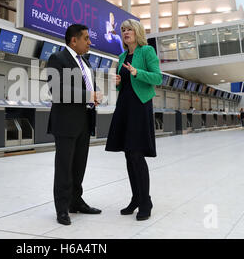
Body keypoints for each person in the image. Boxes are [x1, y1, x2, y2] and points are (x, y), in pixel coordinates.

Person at [105, 19, 162, 221]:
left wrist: (137, 72)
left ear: (137, 32)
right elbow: (124, 86)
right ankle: (136, 198)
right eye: (123, 30)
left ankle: (146, 201)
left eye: (129, 29)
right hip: (125, 107)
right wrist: (119, 83)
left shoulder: (147, 51)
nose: (126, 32)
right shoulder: (121, 56)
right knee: (129, 155)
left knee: (137, 155)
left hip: (140, 107)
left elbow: (158, 78)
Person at [47, 24, 102, 226]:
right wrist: (88, 95)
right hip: (66, 122)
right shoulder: (58, 59)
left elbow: (87, 87)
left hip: (85, 120)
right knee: (64, 167)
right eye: (86, 38)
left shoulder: (86, 62)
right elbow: (57, 90)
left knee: (79, 166)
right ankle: (62, 208)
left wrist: (94, 98)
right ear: (74, 40)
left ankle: (76, 202)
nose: (89, 42)